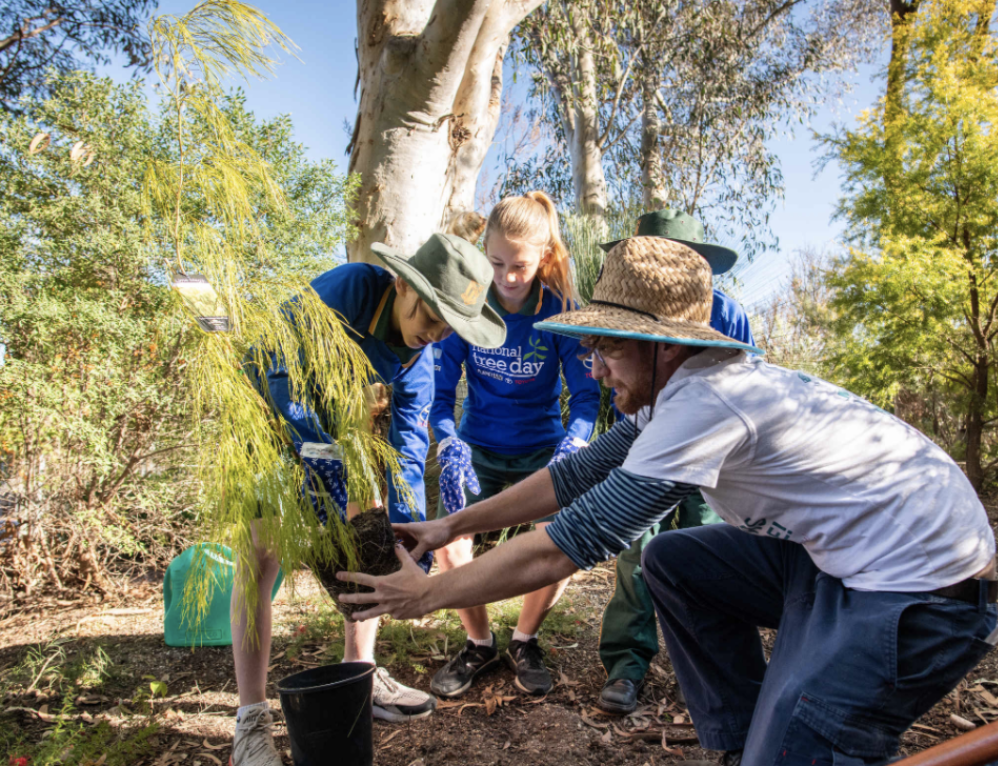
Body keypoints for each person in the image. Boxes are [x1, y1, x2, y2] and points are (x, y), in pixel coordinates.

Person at [337, 235, 997, 766]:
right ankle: (748, 738)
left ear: (668, 346)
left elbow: (576, 540)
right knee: (677, 560)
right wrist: (449, 523)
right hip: (837, 563)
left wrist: (423, 596)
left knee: (800, 749)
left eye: (610, 349)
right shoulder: (673, 394)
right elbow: (577, 477)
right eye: (591, 349)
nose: (594, 370)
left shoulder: (708, 403)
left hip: (921, 596)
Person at [231, 233, 506, 766]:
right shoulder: (350, 290)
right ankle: (250, 719)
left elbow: (407, 446)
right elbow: (282, 374)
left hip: (340, 440)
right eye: (431, 315)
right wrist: (321, 455)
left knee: (372, 538)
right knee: (261, 555)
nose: (435, 333)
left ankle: (361, 673)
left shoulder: (420, 357)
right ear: (402, 284)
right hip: (264, 418)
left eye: (451, 326)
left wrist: (407, 540)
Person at [430, 191, 601, 698]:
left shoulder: (561, 313)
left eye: (519, 265)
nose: (506, 277)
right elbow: (439, 397)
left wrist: (575, 443)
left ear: (544, 257)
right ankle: (478, 643)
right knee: (448, 539)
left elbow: (587, 397)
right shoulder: (468, 307)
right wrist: (448, 442)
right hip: (478, 446)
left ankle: (525, 640)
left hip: (543, 451)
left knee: (561, 539)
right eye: (496, 262)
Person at [595, 209, 754, 714]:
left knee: (704, 547)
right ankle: (626, 663)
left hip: (709, 455)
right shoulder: (622, 311)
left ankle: (713, 672)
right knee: (636, 549)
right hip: (652, 438)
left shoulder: (726, 313)